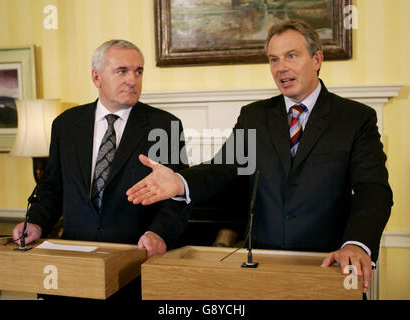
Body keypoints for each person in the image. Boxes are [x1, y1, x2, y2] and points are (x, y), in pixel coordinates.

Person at [126, 20, 393, 294]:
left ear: (317, 59)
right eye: (273, 59)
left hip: (329, 266)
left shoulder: (356, 119)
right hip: (262, 267)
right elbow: (223, 168)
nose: (281, 67)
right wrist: (180, 182)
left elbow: (372, 190)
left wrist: (356, 244)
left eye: (292, 56)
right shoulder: (254, 116)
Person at [12, 39, 189, 260]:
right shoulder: (65, 125)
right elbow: (52, 188)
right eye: (122, 71)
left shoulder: (165, 126)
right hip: (75, 257)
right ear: (96, 77)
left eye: (138, 72)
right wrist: (36, 222)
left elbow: (179, 197)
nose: (132, 80)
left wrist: (158, 233)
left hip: (136, 258)